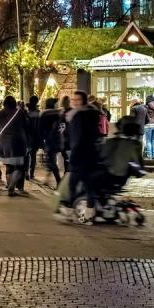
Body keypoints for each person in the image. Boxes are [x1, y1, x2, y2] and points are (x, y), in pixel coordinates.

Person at [65, 91, 104, 220]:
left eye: (78, 100)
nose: (75, 102)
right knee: (88, 184)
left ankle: (70, 212)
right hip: (91, 155)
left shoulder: (78, 116)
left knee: (72, 184)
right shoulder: (92, 114)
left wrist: (74, 157)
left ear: (84, 101)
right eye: (73, 100)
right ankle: (89, 212)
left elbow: (77, 139)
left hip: (80, 156)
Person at [0, 96, 29, 196]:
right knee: (19, 167)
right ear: (14, 103)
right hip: (17, 142)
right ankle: (11, 187)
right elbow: (26, 126)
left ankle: (10, 188)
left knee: (9, 167)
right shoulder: (20, 113)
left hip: (3, 143)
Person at [38, 97, 64, 185]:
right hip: (59, 139)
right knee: (51, 159)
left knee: (51, 161)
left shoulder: (44, 114)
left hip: (49, 141)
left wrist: (41, 141)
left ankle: (58, 181)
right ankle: (47, 178)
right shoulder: (59, 113)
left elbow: (40, 129)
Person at [25, 95, 42, 180]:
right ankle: (31, 173)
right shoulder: (39, 113)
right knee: (33, 156)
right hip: (36, 138)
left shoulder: (26, 113)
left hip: (27, 137)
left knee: (26, 155)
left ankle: (26, 173)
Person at [143, 95, 154, 160]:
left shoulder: (146, 107)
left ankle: (149, 156)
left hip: (148, 125)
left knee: (148, 141)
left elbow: (145, 116)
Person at [60, 95, 72, 172]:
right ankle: (68, 172)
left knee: (66, 157)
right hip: (70, 138)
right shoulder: (73, 111)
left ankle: (67, 172)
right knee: (69, 157)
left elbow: (60, 126)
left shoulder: (61, 113)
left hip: (64, 138)